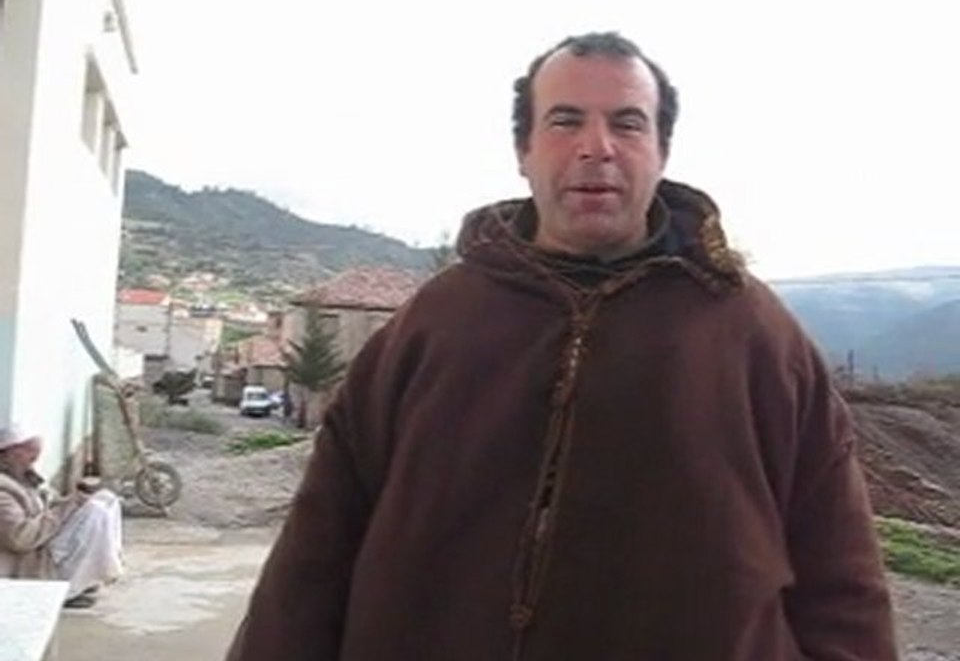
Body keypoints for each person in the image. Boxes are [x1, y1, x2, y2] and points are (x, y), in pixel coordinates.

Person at [227, 32, 896, 660]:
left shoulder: (754, 337)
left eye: (627, 123)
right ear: (523, 151)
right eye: (566, 120)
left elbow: (842, 580)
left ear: (661, 152)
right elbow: (315, 554)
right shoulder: (435, 325)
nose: (596, 147)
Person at [0, 423, 123, 608]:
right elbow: (20, 538)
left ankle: (90, 577)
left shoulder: (22, 478)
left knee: (107, 499)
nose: (32, 463)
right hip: (29, 562)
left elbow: (47, 506)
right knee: (95, 511)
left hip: (42, 543)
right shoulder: (3, 491)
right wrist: (66, 509)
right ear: (7, 455)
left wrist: (73, 501)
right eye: (28, 456)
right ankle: (70, 587)